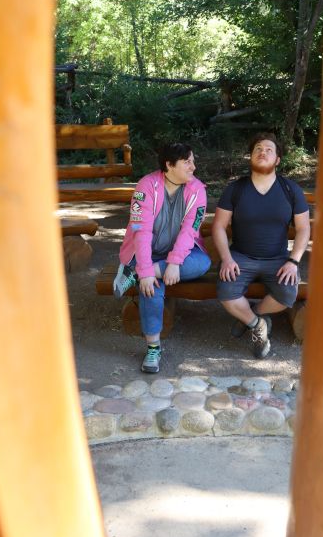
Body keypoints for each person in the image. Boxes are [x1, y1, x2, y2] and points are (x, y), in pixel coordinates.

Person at [113, 142, 211, 373]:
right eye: (187, 162)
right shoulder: (145, 186)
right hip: (145, 251)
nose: (193, 167)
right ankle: (153, 348)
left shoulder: (198, 190)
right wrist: (147, 270)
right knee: (150, 288)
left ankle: (135, 272)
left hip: (181, 253)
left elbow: (190, 230)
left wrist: (173, 262)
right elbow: (141, 230)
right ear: (169, 165)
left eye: (193, 161)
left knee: (203, 263)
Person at [212, 132, 310, 358]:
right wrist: (227, 258)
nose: (262, 152)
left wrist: (293, 261)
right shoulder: (236, 189)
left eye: (268, 150)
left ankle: (249, 316)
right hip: (241, 257)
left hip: (277, 258)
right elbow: (218, 226)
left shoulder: (290, 190)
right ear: (251, 156)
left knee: (287, 294)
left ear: (277, 160)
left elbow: (304, 228)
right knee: (226, 292)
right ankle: (258, 324)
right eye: (258, 149)